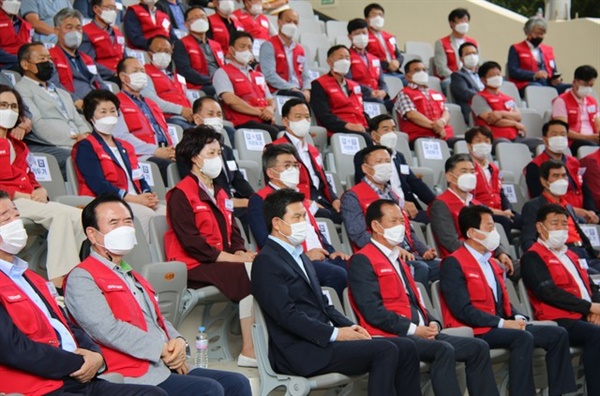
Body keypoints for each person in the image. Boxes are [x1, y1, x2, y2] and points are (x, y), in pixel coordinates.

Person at [63, 194, 252, 395]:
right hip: (130, 372)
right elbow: (108, 329)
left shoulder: (133, 275)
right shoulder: (82, 277)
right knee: (208, 390)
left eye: (127, 221)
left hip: (163, 364)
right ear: (92, 234)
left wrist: (179, 342)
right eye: (113, 222)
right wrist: (162, 349)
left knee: (237, 382)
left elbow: (158, 321)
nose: (123, 228)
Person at [252, 188, 422, 396]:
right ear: (277, 223)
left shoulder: (301, 256)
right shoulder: (266, 261)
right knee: (385, 350)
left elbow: (324, 306)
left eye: (304, 216)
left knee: (406, 347)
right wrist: (336, 334)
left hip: (321, 342)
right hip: (299, 350)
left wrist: (352, 327)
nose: (303, 222)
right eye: (296, 217)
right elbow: (287, 316)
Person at [0, 191, 165, 396]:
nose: (16, 223)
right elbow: (13, 347)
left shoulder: (32, 278)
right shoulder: (82, 276)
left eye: (16, 215)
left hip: (75, 377)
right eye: (6, 218)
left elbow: (66, 324)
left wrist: (96, 356)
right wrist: (77, 362)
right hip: (39, 384)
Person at [348, 199, 498, 396]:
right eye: (393, 221)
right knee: (443, 350)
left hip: (418, 331)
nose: (400, 226)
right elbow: (372, 311)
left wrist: (432, 322)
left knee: (478, 347)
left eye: (402, 221)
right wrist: (414, 329)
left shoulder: (398, 260)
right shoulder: (363, 259)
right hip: (393, 335)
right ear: (376, 226)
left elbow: (414, 301)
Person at [440, 205, 577, 396]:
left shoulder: (490, 262)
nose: (494, 232)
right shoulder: (453, 263)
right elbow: (462, 309)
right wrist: (503, 323)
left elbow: (503, 302)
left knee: (557, 334)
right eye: (489, 227)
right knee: (522, 337)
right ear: (472, 232)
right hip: (477, 329)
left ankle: (561, 393)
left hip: (499, 325)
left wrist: (519, 317)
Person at [165, 126, 257, 367]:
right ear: (195, 158)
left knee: (261, 265)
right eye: (212, 153)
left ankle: (264, 343)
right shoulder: (180, 194)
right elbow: (192, 243)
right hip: (194, 264)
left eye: (219, 153)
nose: (218, 158)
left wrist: (239, 250)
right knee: (245, 270)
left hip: (220, 260)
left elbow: (232, 228)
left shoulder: (220, 191)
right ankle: (249, 349)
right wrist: (234, 259)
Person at [0, 85, 86, 285]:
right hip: (7, 203)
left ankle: (63, 273)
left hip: (28, 199)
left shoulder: (19, 144)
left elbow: (28, 176)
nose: (9, 111)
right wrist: (21, 196)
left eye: (13, 107)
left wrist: (40, 188)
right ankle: (61, 283)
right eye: (3, 105)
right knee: (61, 215)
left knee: (80, 217)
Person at [247, 144, 348, 298]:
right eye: (287, 166)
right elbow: (265, 240)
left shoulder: (297, 196)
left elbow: (313, 231)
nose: (294, 170)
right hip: (291, 262)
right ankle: (335, 319)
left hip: (321, 257)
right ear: (271, 172)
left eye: (295, 165)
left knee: (360, 268)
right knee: (337, 275)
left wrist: (332, 251)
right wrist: (304, 256)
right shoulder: (260, 199)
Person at [521, 203, 600, 395]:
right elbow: (547, 292)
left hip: (583, 314)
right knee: (596, 335)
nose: (561, 228)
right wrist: (588, 308)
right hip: (559, 318)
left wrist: (596, 308)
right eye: (555, 223)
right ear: (540, 227)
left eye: (564, 224)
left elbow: (591, 286)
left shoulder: (571, 255)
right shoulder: (532, 257)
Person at [73, 89, 166, 241]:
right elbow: (98, 184)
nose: (109, 116)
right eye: (103, 112)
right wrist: (133, 199)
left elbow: (138, 175)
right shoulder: (86, 146)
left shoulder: (126, 146)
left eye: (112, 111)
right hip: (107, 201)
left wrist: (147, 194)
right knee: (147, 215)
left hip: (136, 200)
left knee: (167, 213)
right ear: (90, 117)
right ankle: (146, 258)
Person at [342, 145, 439, 285]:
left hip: (411, 256)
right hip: (382, 257)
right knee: (421, 269)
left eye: (387, 161)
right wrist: (391, 249)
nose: (385, 166)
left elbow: (407, 230)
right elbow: (358, 235)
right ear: (365, 168)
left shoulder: (392, 194)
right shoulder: (353, 197)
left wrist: (423, 250)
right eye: (379, 162)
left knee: (450, 267)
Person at [428, 154, 515, 276]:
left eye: (472, 171)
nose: (469, 175)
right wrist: (483, 257)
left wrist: (502, 253)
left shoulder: (475, 203)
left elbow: (491, 231)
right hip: (463, 262)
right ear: (449, 176)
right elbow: (450, 242)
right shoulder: (441, 204)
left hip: (486, 257)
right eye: (464, 171)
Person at [15, 42, 92, 179]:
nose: (48, 62)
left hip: (79, 143)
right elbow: (37, 124)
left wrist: (86, 135)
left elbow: (79, 120)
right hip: (52, 145)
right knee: (83, 158)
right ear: (25, 65)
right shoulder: (21, 89)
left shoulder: (63, 93)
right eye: (42, 59)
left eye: (49, 58)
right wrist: (74, 143)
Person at [354, 114, 436, 224]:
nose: (391, 133)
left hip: (409, 207)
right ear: (374, 135)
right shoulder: (363, 156)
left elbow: (414, 182)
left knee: (440, 217)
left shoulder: (398, 156)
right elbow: (368, 187)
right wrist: (399, 203)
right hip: (385, 210)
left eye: (393, 129)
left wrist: (436, 203)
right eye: (385, 129)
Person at [520, 160, 600, 273]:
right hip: (563, 255)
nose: (561, 180)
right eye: (555, 176)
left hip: (585, 253)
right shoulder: (534, 206)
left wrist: (595, 253)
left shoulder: (568, 206)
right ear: (544, 181)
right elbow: (528, 239)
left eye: (563, 176)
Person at [272, 98, 341, 223]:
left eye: (307, 117)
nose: (304, 121)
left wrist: (335, 199)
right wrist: (307, 202)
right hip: (300, 202)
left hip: (323, 200)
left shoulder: (312, 150)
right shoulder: (276, 149)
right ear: (285, 121)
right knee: (325, 216)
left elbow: (324, 181)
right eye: (298, 117)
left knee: (350, 213)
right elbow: (278, 186)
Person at [190, 96, 254, 222]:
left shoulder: (226, 150)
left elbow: (238, 179)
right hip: (213, 203)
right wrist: (229, 201)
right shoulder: (190, 149)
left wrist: (254, 198)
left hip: (233, 201)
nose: (216, 118)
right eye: (210, 114)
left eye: (219, 114)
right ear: (197, 119)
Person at [115, 56, 175, 185]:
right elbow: (121, 137)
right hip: (141, 156)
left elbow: (165, 133)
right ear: (123, 77)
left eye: (142, 71)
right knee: (171, 167)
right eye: (136, 71)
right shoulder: (115, 103)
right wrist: (155, 150)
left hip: (163, 152)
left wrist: (172, 151)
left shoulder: (152, 104)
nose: (141, 74)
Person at [213, 30, 280, 140]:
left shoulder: (257, 74)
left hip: (264, 120)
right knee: (274, 133)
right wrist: (259, 113)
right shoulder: (222, 72)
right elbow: (231, 100)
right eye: (242, 46)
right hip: (243, 122)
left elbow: (270, 99)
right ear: (231, 50)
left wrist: (270, 109)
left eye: (249, 47)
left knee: (285, 133)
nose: (247, 50)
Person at [524, 120, 598, 218]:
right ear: (545, 139)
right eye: (554, 135)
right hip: (557, 214)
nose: (559, 138)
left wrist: (591, 211)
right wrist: (573, 211)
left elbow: (585, 190)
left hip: (583, 213)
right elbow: (541, 198)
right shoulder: (535, 166)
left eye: (563, 135)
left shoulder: (574, 162)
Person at [471, 61, 541, 152]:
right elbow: (491, 120)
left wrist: (501, 113)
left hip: (515, 137)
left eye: (498, 74)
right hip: (494, 138)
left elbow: (518, 116)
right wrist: (514, 123)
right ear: (483, 80)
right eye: (492, 75)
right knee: (505, 145)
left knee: (540, 144)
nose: (496, 77)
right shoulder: (478, 98)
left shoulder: (508, 98)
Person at [465, 126, 520, 237]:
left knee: (526, 220)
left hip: (500, 211)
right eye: (478, 141)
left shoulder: (494, 168)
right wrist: (494, 211)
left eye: (486, 141)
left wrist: (508, 209)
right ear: (469, 146)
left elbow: (501, 193)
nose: (483, 144)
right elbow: (467, 198)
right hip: (479, 212)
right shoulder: (466, 168)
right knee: (504, 222)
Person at [310, 44, 369, 141]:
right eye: (341, 58)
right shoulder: (319, 84)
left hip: (361, 128)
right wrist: (347, 125)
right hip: (339, 130)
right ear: (330, 62)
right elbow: (324, 115)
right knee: (366, 138)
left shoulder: (355, 86)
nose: (345, 61)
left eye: (347, 58)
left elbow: (361, 112)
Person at [49, 8, 108, 103]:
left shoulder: (87, 59)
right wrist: (76, 101)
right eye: (69, 27)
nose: (75, 32)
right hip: (74, 107)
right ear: (56, 30)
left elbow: (100, 83)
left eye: (78, 28)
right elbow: (54, 85)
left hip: (97, 106)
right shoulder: (50, 56)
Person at [396, 60, 454, 147]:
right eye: (417, 70)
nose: (422, 72)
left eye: (424, 70)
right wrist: (436, 127)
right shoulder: (404, 93)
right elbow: (411, 114)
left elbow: (446, 111)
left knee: (463, 143)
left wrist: (441, 122)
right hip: (420, 136)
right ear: (407, 76)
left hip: (444, 135)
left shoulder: (436, 93)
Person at [142, 35, 195, 130]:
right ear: (149, 54)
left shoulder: (178, 77)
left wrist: (196, 112)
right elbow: (152, 101)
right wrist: (181, 110)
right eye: (159, 51)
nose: (163, 54)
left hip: (187, 117)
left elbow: (187, 98)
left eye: (167, 51)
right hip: (168, 118)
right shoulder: (144, 73)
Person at [507, 17, 570, 96]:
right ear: (528, 32)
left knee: (572, 88)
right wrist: (534, 75)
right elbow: (513, 71)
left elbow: (554, 71)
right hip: (527, 84)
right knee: (539, 89)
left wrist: (556, 79)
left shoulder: (548, 50)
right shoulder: (516, 48)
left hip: (548, 84)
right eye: (537, 33)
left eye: (542, 34)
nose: (540, 36)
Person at [258, 8, 312, 101]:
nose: (292, 25)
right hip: (279, 89)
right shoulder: (269, 45)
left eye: (295, 22)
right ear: (279, 22)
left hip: (298, 89)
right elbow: (269, 74)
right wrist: (291, 87)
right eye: (288, 21)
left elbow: (306, 75)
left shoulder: (300, 49)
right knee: (298, 97)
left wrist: (306, 89)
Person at [173, 6, 225, 97]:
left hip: (220, 81)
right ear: (186, 25)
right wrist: (211, 80)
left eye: (202, 17)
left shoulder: (216, 45)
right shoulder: (181, 43)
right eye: (195, 18)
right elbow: (185, 71)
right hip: (199, 84)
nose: (200, 20)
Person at [551, 65, 599, 153]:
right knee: (593, 147)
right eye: (585, 85)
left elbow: (597, 124)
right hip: (573, 141)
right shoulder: (561, 101)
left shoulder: (592, 101)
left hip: (592, 139)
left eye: (591, 85)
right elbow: (562, 130)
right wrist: (589, 137)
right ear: (574, 82)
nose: (588, 88)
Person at [346, 18, 391, 112]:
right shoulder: (347, 56)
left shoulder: (374, 58)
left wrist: (383, 91)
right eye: (357, 33)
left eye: (364, 33)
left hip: (378, 97)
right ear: (350, 36)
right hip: (361, 97)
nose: (361, 36)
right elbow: (348, 81)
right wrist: (369, 91)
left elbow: (382, 82)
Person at [81, 0, 126, 81]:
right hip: (103, 78)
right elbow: (88, 62)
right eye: (109, 8)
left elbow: (125, 58)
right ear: (96, 9)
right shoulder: (86, 32)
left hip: (122, 76)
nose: (113, 12)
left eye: (114, 8)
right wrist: (113, 73)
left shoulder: (117, 33)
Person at [433, 8, 478, 88]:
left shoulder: (472, 42)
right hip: (451, 78)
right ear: (452, 23)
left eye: (466, 21)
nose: (464, 23)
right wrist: (458, 77)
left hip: (471, 77)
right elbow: (441, 69)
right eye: (461, 21)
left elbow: (478, 65)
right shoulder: (442, 43)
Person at [363, 3, 405, 83]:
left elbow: (399, 55)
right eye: (374, 15)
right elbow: (366, 59)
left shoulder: (390, 36)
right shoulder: (364, 38)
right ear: (366, 19)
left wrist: (397, 62)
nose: (378, 18)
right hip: (379, 73)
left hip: (396, 72)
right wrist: (387, 65)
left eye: (380, 15)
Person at [450, 42, 483, 124]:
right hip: (474, 110)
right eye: (468, 54)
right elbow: (464, 92)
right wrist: (486, 96)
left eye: (474, 53)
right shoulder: (457, 75)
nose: (472, 56)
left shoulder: (483, 74)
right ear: (461, 58)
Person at [0, 0, 32, 67]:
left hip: (25, 63)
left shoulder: (24, 24)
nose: (14, 1)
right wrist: (20, 59)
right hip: (6, 65)